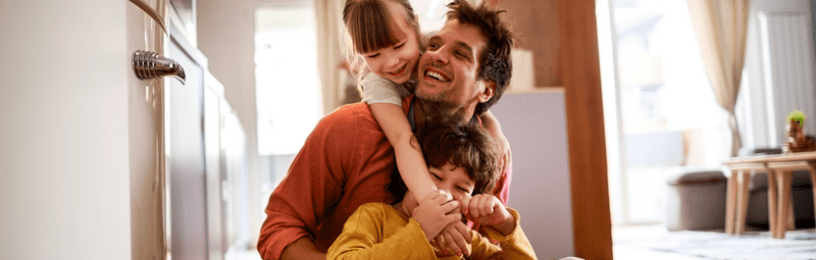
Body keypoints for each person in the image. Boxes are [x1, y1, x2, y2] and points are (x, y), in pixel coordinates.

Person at [257, 1, 514, 259]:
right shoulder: (347, 130)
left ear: (486, 90)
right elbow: (278, 231)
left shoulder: (494, 153)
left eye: (460, 54)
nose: (436, 55)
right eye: (434, 46)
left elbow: (492, 248)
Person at [342, 0, 511, 213]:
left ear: (416, 29)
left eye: (398, 46)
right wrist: (437, 207)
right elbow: (403, 139)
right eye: (373, 55)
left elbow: (493, 238)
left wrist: (493, 126)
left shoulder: (490, 151)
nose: (392, 62)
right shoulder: (377, 85)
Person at [327, 119, 537, 259]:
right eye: (435, 176)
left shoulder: (463, 237)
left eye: (462, 188)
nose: (444, 193)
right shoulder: (375, 217)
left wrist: (506, 225)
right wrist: (420, 231)